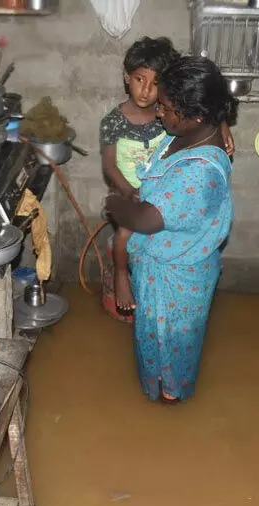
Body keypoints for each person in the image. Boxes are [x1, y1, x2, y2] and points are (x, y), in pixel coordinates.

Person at [105, 56, 235, 404]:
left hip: (177, 279)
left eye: (165, 107)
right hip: (159, 269)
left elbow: (146, 220)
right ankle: (158, 387)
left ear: (195, 116)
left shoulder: (200, 172)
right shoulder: (185, 134)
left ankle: (170, 396)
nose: (158, 113)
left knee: (174, 342)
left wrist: (116, 205)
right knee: (154, 335)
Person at [99, 37, 233, 319]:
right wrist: (126, 194)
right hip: (130, 194)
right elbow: (110, 166)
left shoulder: (174, 118)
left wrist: (221, 123)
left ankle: (137, 291)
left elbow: (204, 98)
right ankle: (121, 280)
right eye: (139, 79)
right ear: (127, 78)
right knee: (121, 241)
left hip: (157, 199)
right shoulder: (117, 121)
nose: (147, 92)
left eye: (156, 83)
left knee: (138, 239)